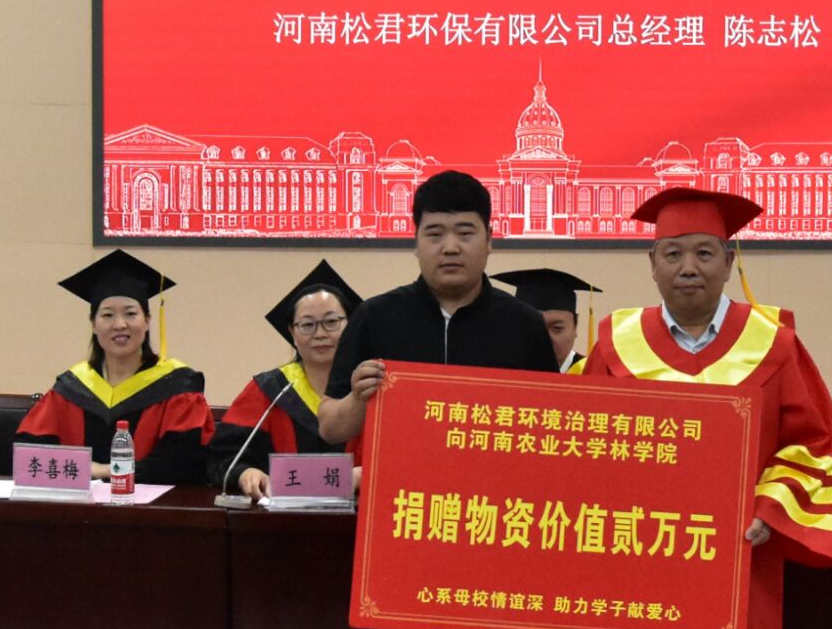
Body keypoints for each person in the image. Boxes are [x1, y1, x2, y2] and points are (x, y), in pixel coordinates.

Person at [582, 187, 832, 629]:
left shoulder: (774, 344)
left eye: (704, 253)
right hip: (641, 552)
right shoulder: (615, 345)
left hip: (743, 554)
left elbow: (815, 443)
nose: (688, 267)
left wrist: (770, 510)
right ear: (652, 263)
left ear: (728, 262)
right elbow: (585, 447)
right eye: (673, 254)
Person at [317, 169, 556, 450]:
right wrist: (357, 398)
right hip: (401, 477)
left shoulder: (524, 324)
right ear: (416, 241)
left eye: (465, 233)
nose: (450, 247)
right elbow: (330, 429)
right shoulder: (375, 316)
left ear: (489, 239)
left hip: (494, 476)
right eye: (435, 234)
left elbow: (552, 422)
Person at [17, 250, 213, 482]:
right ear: (93, 324)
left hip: (157, 504)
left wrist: (104, 471)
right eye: (107, 315)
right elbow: (30, 456)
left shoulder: (178, 387)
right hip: (79, 505)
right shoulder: (71, 388)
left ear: (147, 321)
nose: (119, 324)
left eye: (130, 313)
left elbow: (185, 464)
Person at [211, 259, 363, 497]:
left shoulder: (371, 386)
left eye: (332, 322)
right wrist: (245, 472)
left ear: (351, 325)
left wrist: (368, 474)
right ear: (292, 332)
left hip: (362, 512)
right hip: (280, 515)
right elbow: (223, 455)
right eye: (307, 325)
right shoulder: (270, 390)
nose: (320, 333)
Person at [492, 267, 603, 373]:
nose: (545, 339)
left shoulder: (592, 376)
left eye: (557, 328)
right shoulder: (499, 373)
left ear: (575, 327)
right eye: (533, 328)